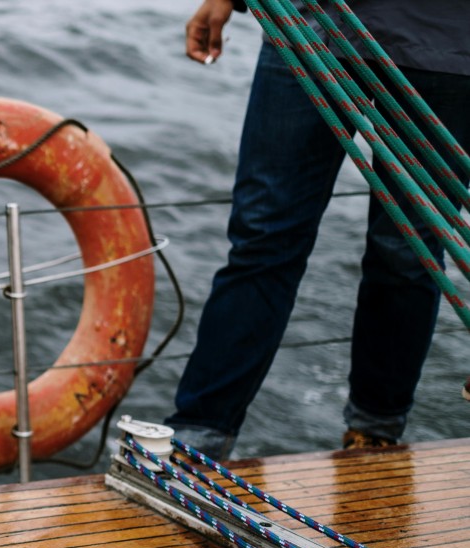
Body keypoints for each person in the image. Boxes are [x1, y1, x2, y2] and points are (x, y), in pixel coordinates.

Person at [165, 0, 470, 460]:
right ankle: (199, 433)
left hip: (443, 43)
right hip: (306, 25)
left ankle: (374, 434)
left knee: (408, 252)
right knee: (263, 237)